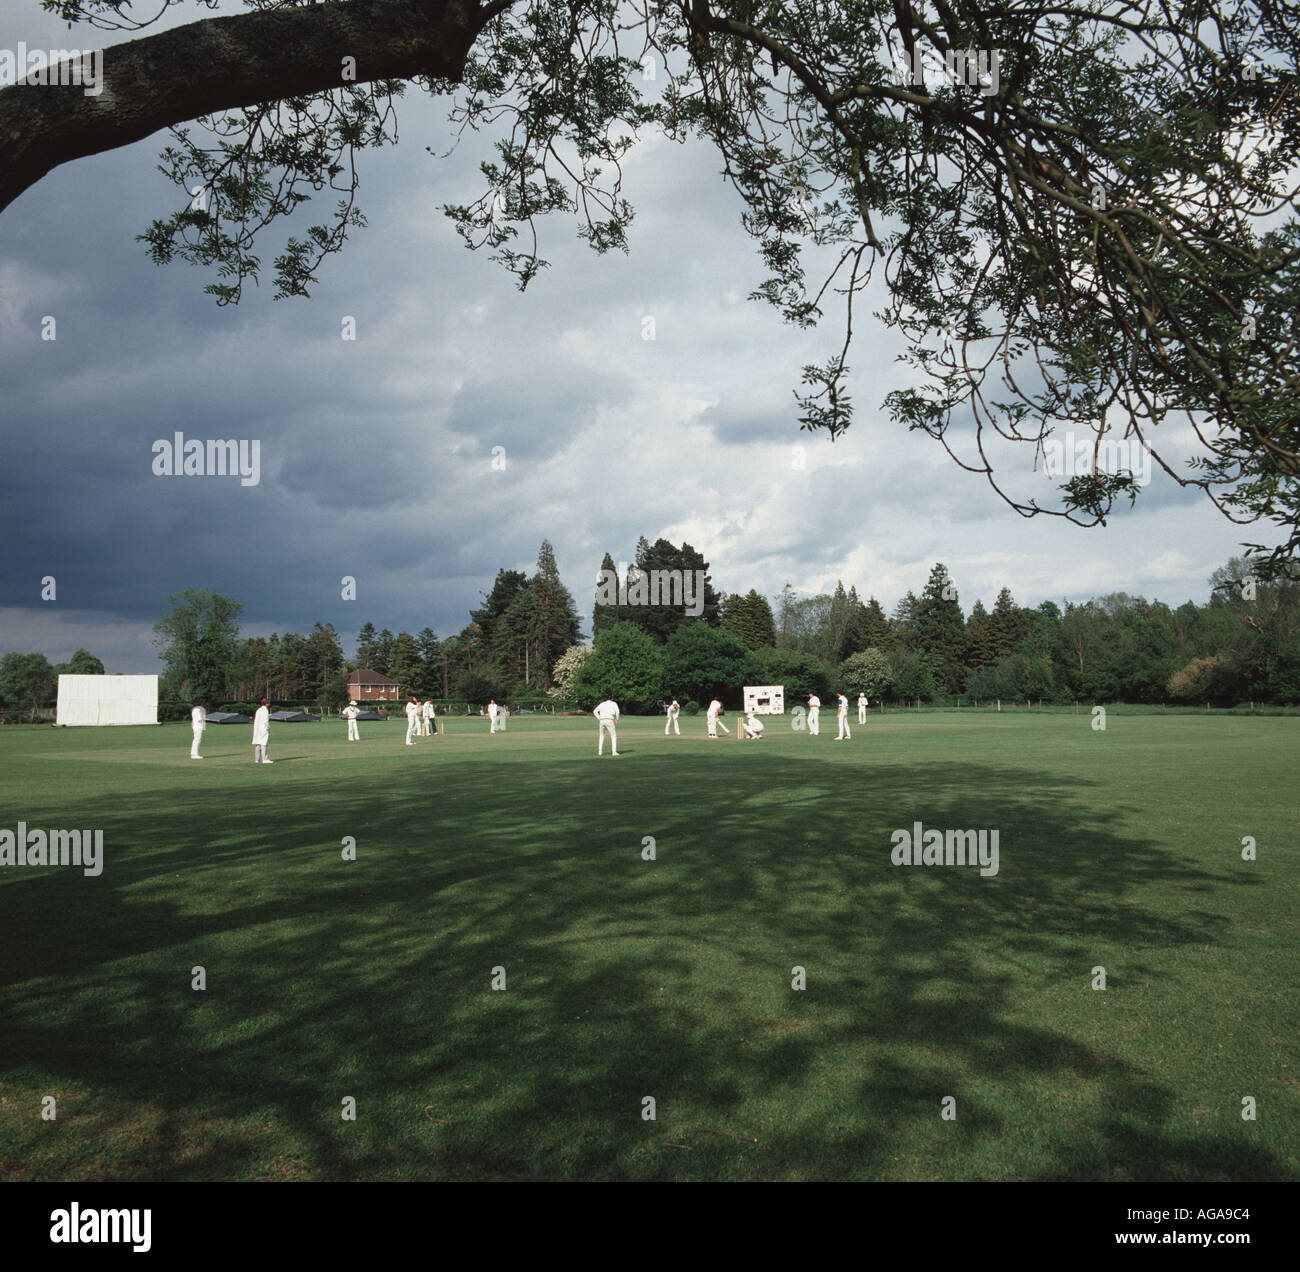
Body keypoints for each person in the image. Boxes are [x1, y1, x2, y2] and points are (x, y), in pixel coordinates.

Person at [252, 699, 272, 764]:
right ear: (266, 703)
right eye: (268, 703)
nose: (269, 704)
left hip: (257, 729)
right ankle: (265, 759)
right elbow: (265, 721)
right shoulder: (265, 710)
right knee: (264, 743)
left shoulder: (258, 710)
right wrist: (268, 728)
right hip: (263, 729)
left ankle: (257, 760)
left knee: (258, 743)